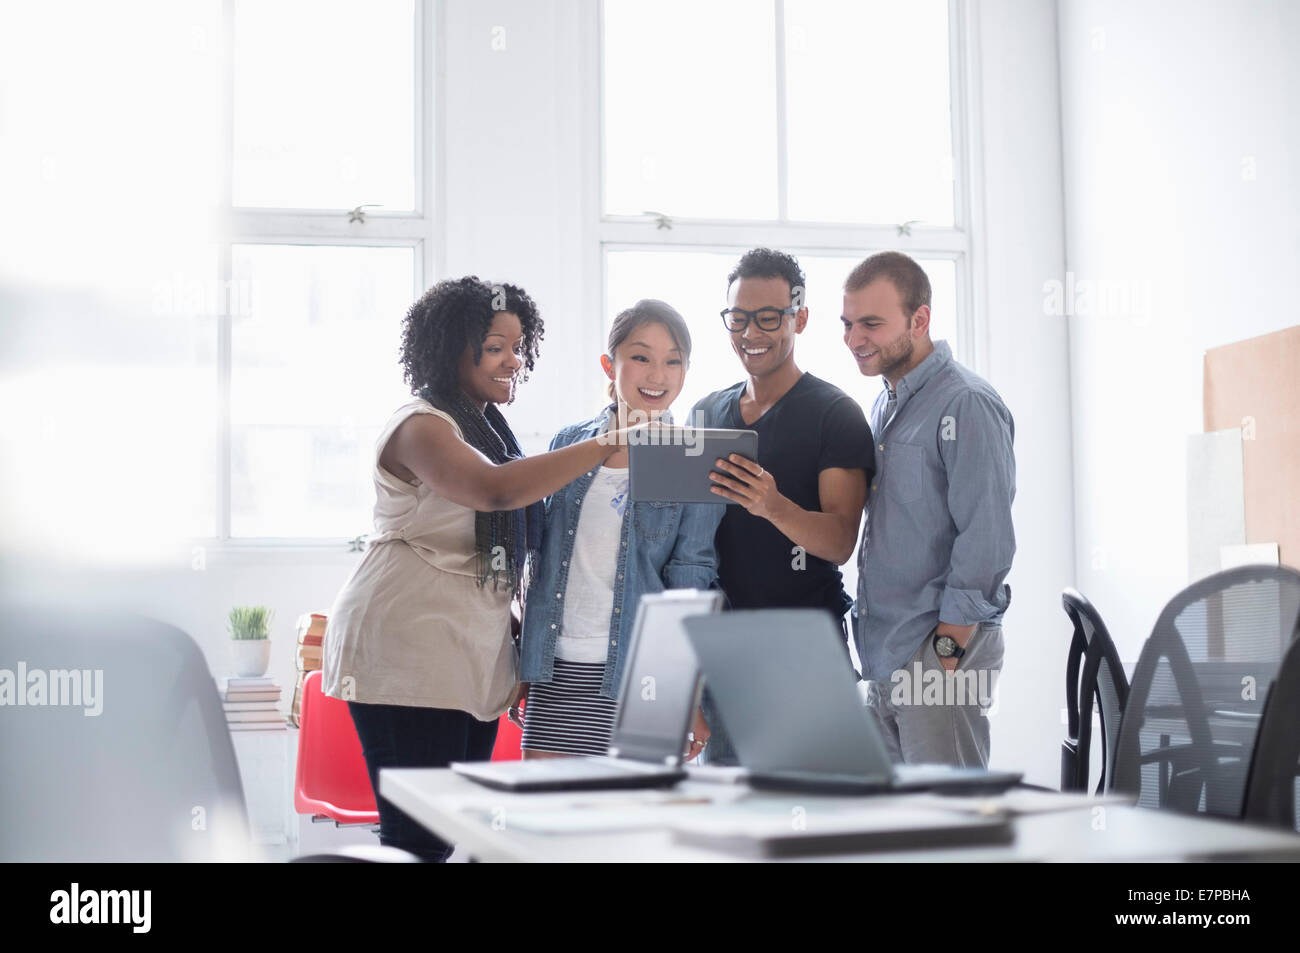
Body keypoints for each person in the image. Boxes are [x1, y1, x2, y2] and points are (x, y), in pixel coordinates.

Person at [321, 276, 632, 862]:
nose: (513, 360)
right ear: (450, 347)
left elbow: (509, 551)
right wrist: (605, 444)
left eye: (519, 347)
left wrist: (516, 645)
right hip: (405, 645)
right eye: (495, 346)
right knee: (418, 837)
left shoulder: (486, 426)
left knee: (445, 832)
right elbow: (493, 493)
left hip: (465, 654)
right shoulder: (421, 425)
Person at [690, 248, 874, 766]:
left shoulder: (835, 414)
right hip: (723, 652)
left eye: (769, 317)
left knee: (813, 824)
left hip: (806, 652)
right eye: (738, 318)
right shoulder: (707, 412)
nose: (751, 332)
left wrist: (771, 505)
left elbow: (839, 542)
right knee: (728, 828)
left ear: (801, 317)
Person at [518, 299, 723, 760]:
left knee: (629, 828)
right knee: (545, 825)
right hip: (558, 669)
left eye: (674, 361)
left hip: (643, 675)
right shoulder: (568, 443)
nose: (658, 375)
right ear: (610, 365)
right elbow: (543, 561)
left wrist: (687, 694)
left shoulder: (692, 457)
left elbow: (689, 582)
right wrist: (526, 665)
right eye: (641, 357)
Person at [843, 251, 1015, 768]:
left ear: (920, 320)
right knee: (899, 833)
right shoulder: (886, 403)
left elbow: (986, 538)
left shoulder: (967, 402)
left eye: (871, 323)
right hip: (885, 653)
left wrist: (945, 654)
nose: (854, 339)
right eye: (848, 324)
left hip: (937, 655)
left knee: (952, 831)